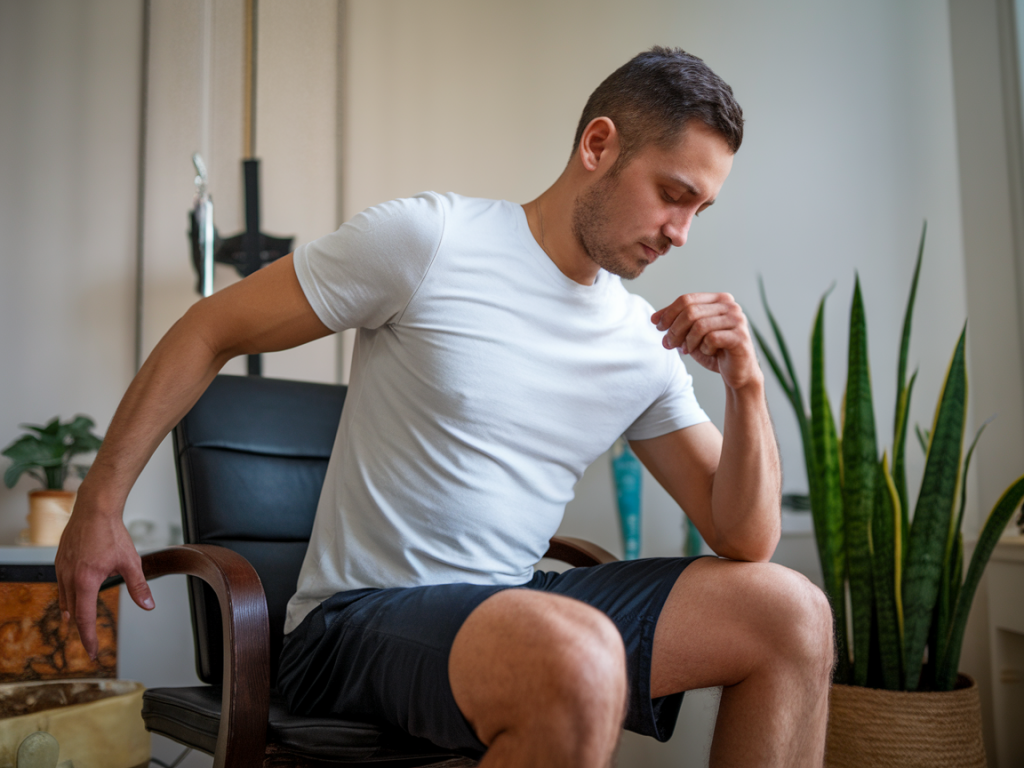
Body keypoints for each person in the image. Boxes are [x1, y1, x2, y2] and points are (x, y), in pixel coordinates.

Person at [56, 47, 833, 767]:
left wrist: (745, 388)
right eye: (673, 195)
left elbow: (743, 536)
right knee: (576, 654)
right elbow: (209, 328)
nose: (682, 233)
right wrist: (99, 505)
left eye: (701, 210)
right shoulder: (431, 239)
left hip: (516, 604)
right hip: (355, 623)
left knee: (791, 613)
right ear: (599, 144)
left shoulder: (640, 343)